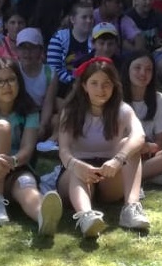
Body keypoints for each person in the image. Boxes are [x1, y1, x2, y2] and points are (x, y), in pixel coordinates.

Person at [55, 58, 150, 238]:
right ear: (84, 86)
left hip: (109, 173)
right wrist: (76, 165)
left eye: (106, 83)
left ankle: (131, 208)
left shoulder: (123, 109)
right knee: (77, 170)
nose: (101, 89)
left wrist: (118, 159)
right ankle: (86, 217)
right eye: (94, 83)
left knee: (130, 146)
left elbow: (139, 135)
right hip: (75, 174)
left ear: (114, 86)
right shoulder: (71, 111)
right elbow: (64, 150)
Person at [0, 58, 59, 232]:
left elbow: (27, 149)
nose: (6, 86)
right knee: (2, 127)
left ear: (19, 82)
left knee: (26, 183)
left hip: (14, 168)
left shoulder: (29, 111)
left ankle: (43, 216)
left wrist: (12, 161)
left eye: (11, 79)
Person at [124, 53, 162, 183]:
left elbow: (160, 143)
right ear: (127, 70)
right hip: (122, 154)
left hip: (148, 155)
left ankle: (131, 177)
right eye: (137, 68)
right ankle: (148, 176)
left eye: (148, 69)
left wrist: (146, 148)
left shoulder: (160, 100)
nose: (143, 73)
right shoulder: (117, 100)